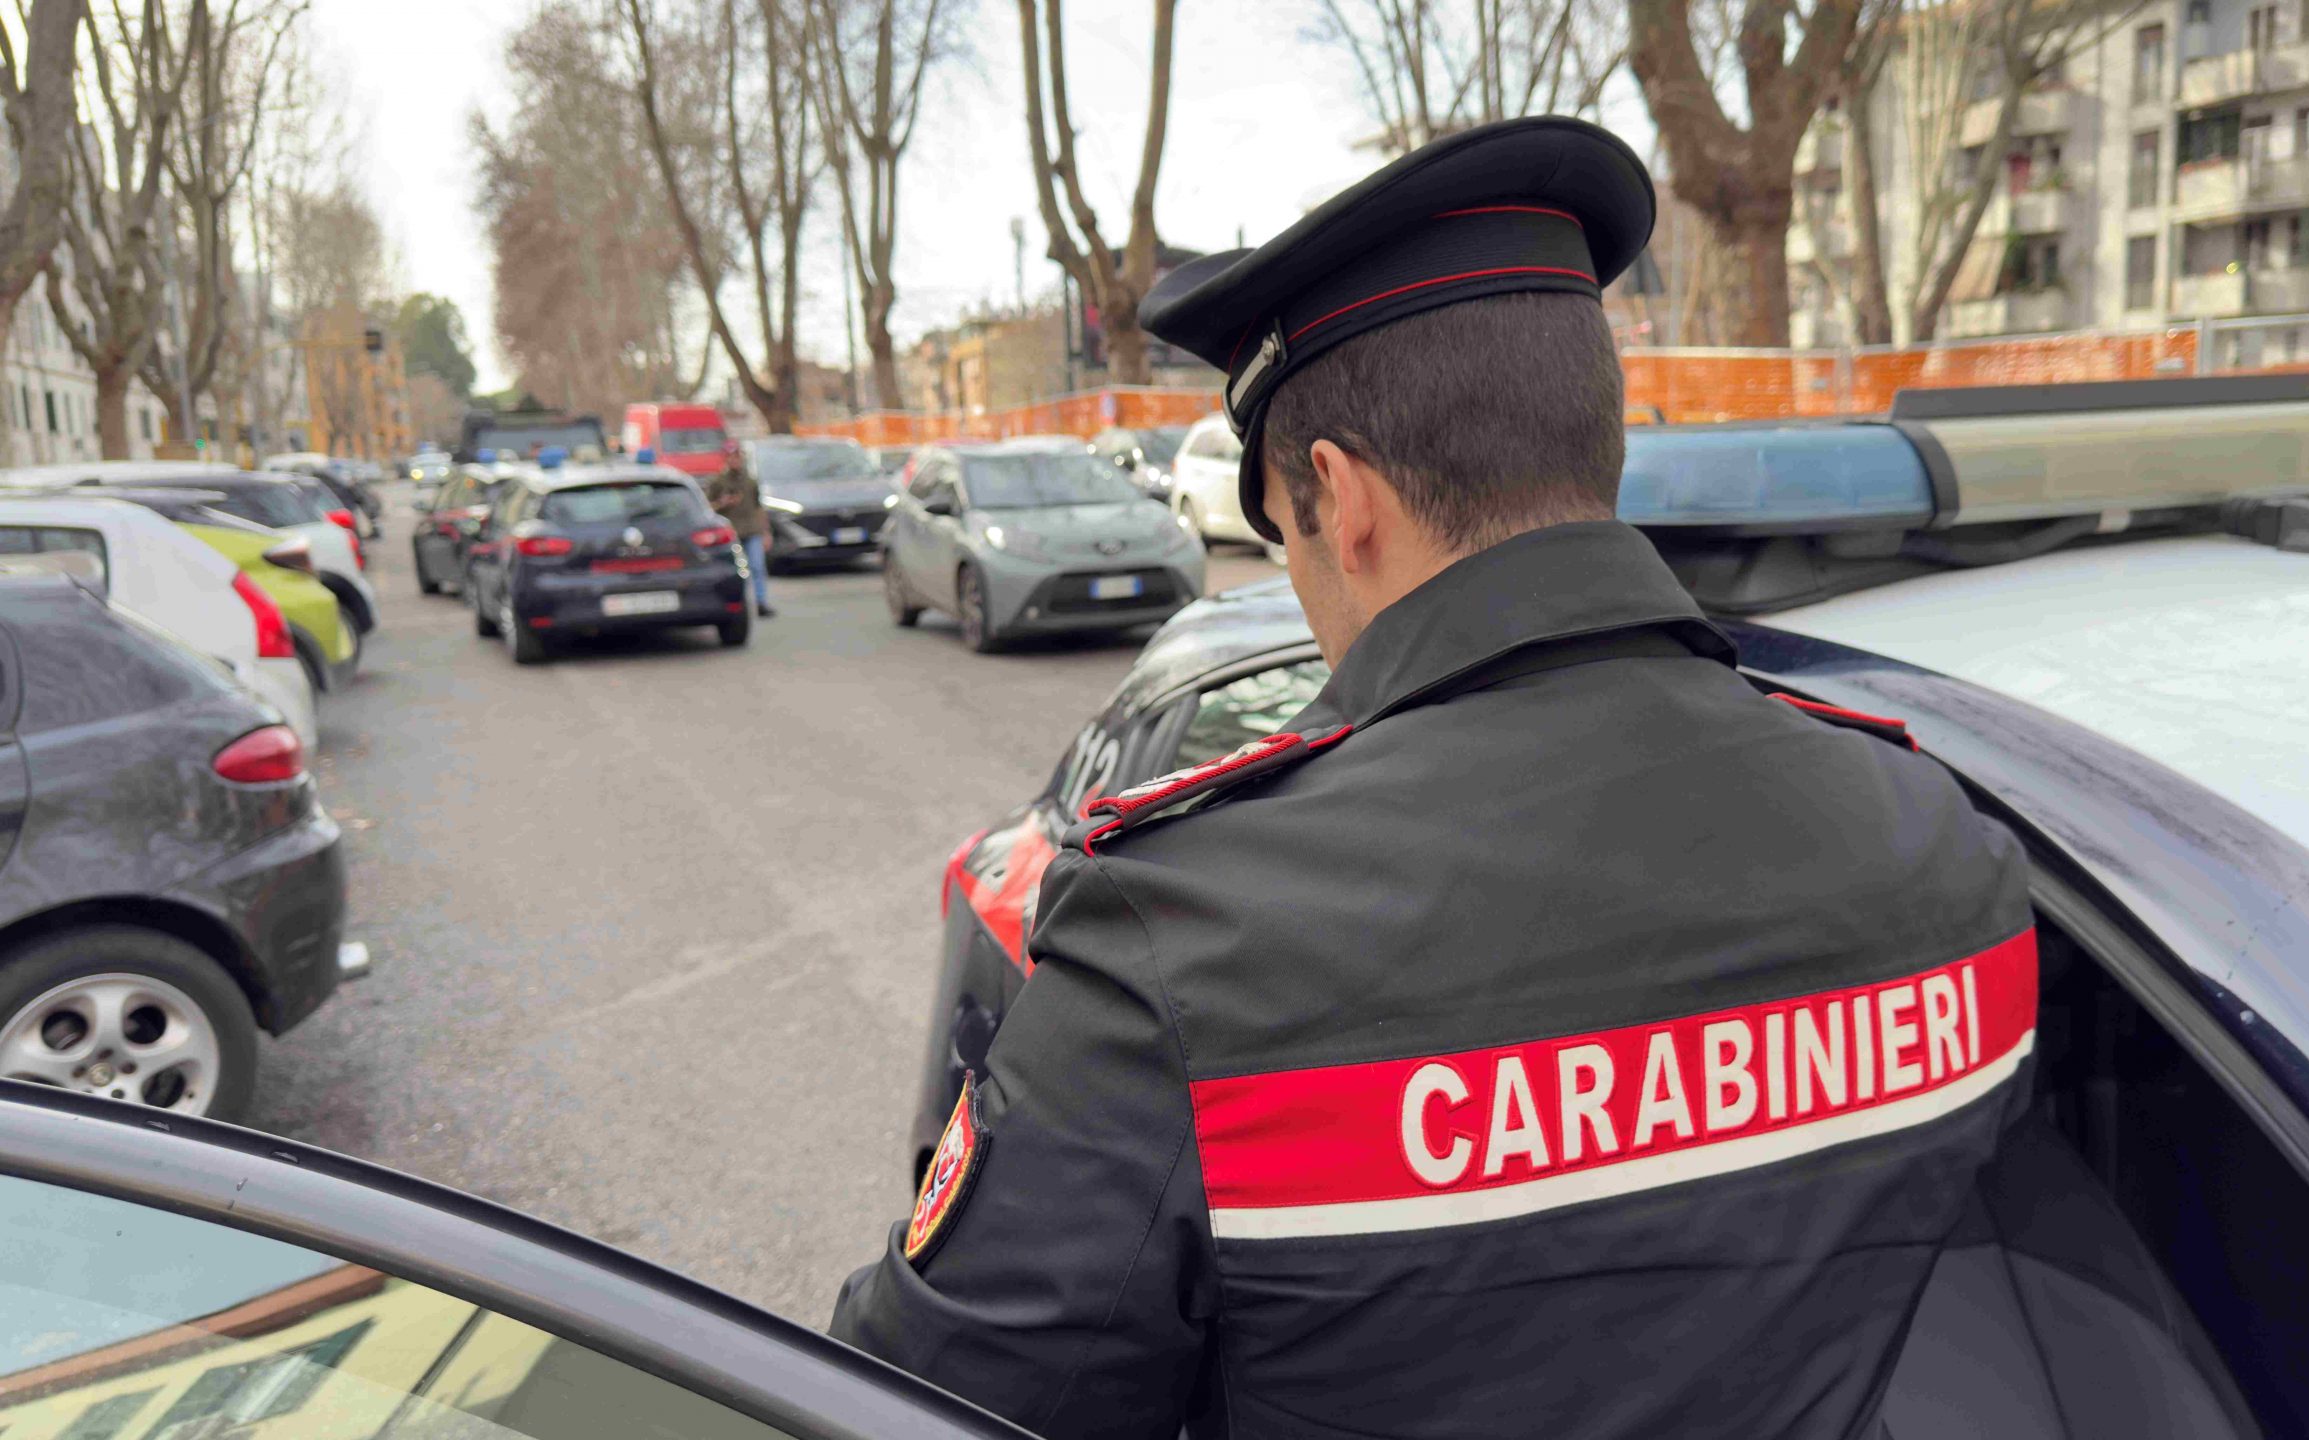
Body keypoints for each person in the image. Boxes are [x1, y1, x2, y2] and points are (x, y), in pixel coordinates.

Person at [832, 117, 2035, 1439]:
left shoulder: (1187, 955)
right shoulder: (1949, 856)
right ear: (1595, 450)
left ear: (1342, 501)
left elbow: (907, 1408)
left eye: (1285, 536)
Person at [702, 457, 774, 617]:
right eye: (731, 455)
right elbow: (707, 509)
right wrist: (722, 503)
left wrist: (766, 532)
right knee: (736, 571)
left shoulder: (750, 481)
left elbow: (759, 507)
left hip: (752, 531)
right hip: (732, 534)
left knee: (757, 567)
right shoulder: (718, 482)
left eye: (737, 455)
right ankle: (738, 605)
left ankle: (761, 602)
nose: (735, 461)